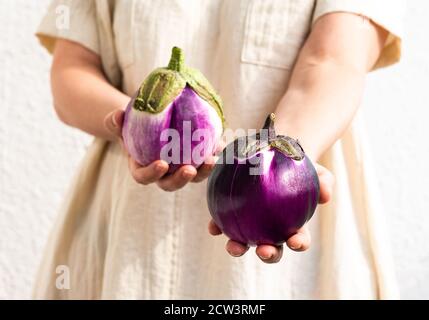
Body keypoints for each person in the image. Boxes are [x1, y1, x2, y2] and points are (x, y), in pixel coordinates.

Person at [34, 0, 403, 299]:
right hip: (127, 229)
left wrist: (281, 159)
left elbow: (335, 60)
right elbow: (71, 72)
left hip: (290, 225)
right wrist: (136, 130)